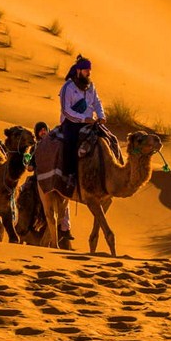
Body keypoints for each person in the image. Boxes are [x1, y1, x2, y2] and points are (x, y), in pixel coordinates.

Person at [57, 55, 106, 241]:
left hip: (90, 122)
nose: (88, 72)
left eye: (89, 70)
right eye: (86, 70)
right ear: (78, 70)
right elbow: (65, 110)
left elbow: (97, 103)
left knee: (107, 141)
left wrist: (101, 116)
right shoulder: (68, 88)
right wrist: (81, 119)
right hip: (72, 123)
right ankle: (70, 175)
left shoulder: (90, 86)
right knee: (70, 144)